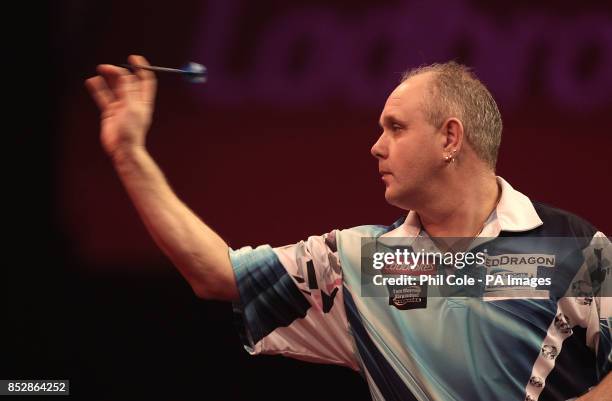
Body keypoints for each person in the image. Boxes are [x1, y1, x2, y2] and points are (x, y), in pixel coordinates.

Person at [85, 55, 611, 401]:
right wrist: (130, 154)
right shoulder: (360, 265)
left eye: (395, 128)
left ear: (451, 138)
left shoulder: (575, 249)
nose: (375, 146)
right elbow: (215, 271)